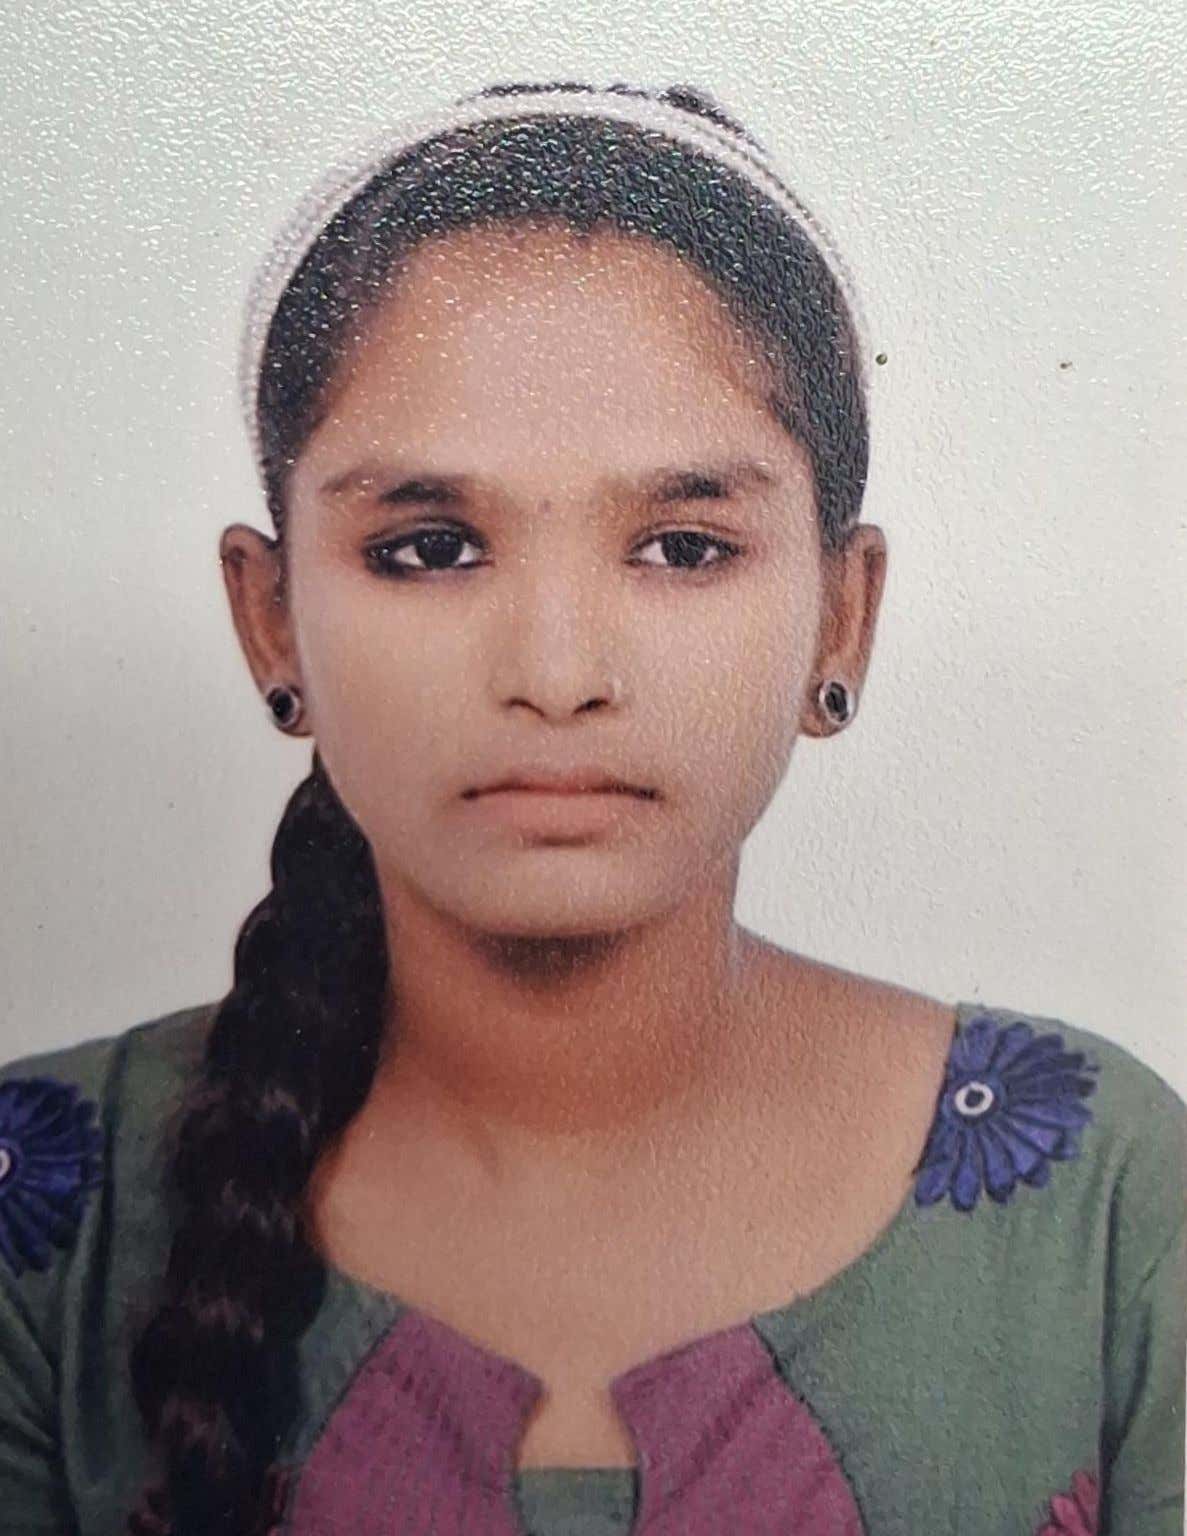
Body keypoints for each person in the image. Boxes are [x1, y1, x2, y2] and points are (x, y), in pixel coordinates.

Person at [0, 77, 1182, 1536]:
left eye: (681, 547)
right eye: (431, 547)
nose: (557, 676)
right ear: (271, 618)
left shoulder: (1107, 1206)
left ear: (842, 616)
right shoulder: (45, 1217)